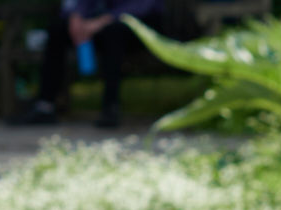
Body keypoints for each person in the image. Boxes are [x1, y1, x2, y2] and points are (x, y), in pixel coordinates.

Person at [10, 0, 165, 129]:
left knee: (114, 33)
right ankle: (45, 107)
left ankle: (110, 108)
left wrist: (102, 21)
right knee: (57, 29)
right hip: (99, 25)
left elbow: (142, 6)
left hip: (139, 27)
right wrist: (76, 17)